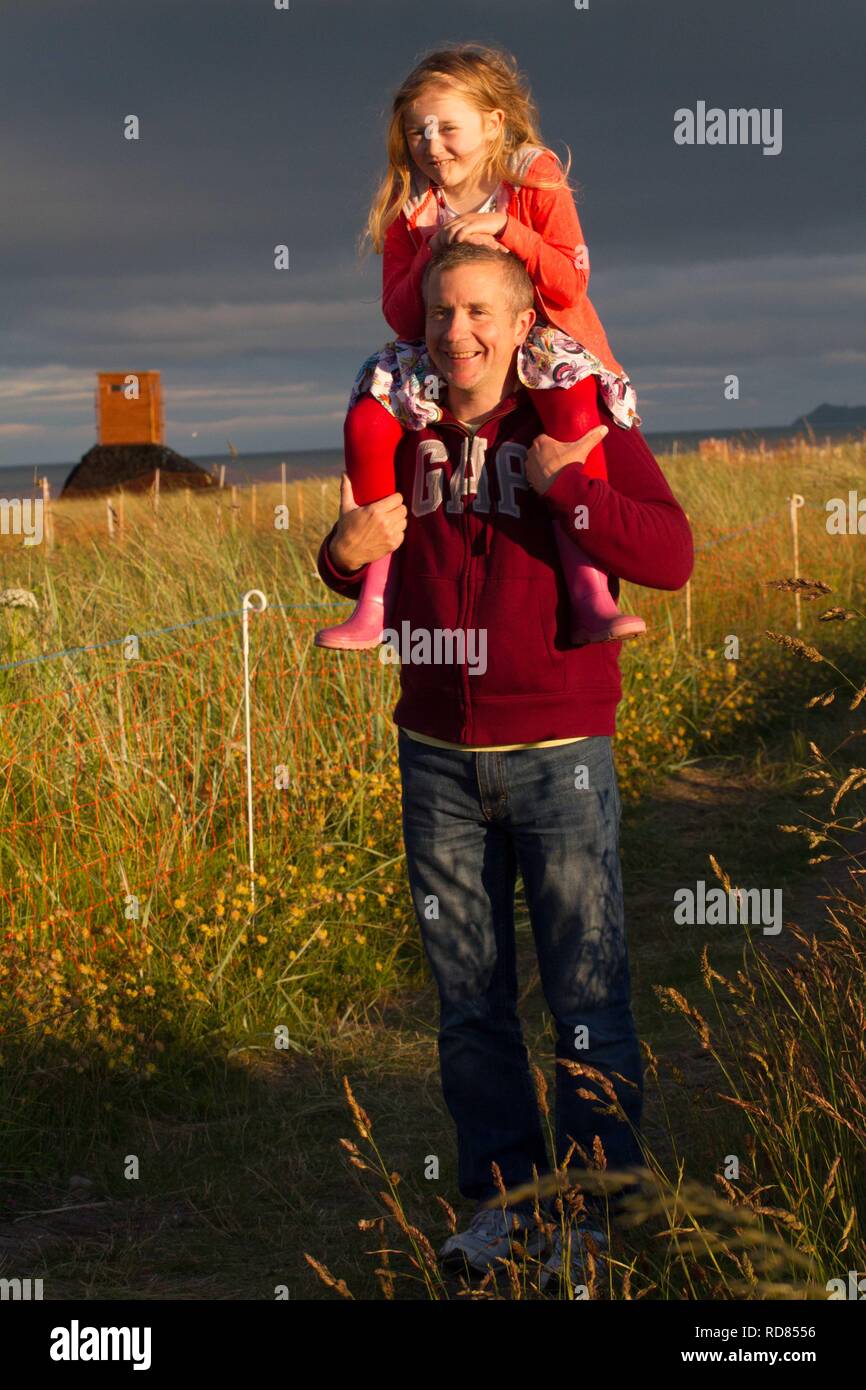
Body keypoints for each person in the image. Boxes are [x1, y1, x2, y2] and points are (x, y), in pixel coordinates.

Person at [315, 241, 694, 1285]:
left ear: (522, 323)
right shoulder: (401, 421)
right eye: (440, 314)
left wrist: (571, 493)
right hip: (434, 756)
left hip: (559, 752)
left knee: (585, 991)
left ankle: (594, 1214)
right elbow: (353, 546)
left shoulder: (572, 417)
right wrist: (341, 552)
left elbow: (668, 554)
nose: (457, 334)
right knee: (468, 1001)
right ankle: (499, 1203)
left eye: (480, 311)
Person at [315, 42, 646, 652]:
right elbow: (401, 315)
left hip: (540, 339)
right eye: (417, 132)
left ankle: (589, 588)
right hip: (442, 345)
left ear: (494, 124)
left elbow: (571, 281)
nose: (431, 144)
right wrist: (425, 250)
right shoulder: (411, 211)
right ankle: (373, 602)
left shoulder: (532, 176)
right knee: (366, 420)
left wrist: (508, 230)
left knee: (571, 403)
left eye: (447, 127)